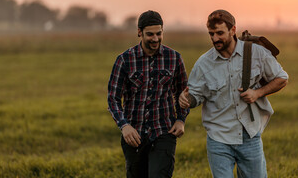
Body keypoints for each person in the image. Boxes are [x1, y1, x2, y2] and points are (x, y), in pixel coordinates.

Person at [179, 9, 288, 178]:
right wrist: (186, 100)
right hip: (218, 138)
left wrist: (258, 93)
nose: (215, 38)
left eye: (220, 33)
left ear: (233, 30)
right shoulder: (204, 63)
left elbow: (281, 78)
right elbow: (195, 96)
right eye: (211, 34)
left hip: (249, 136)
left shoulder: (256, 53)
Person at [108, 10, 189, 178]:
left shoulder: (174, 58)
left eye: (159, 34)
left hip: (164, 132)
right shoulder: (125, 60)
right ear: (139, 32)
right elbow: (113, 99)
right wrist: (124, 126)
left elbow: (184, 94)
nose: (155, 39)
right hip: (134, 135)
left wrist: (181, 119)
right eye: (150, 34)